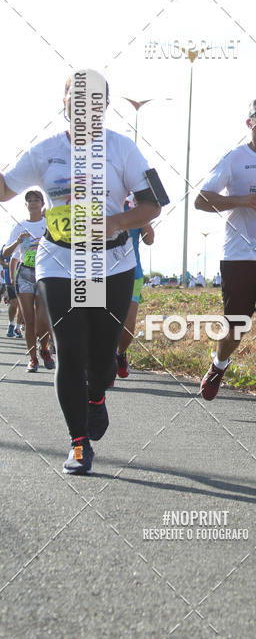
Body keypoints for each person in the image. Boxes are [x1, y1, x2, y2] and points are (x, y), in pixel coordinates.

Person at [0, 71, 162, 475]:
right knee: (70, 352)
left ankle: (96, 395)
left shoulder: (122, 149)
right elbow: (5, 188)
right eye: (77, 98)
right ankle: (77, 443)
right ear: (65, 102)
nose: (85, 107)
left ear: (104, 107)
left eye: (94, 100)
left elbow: (153, 203)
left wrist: (116, 222)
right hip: (59, 262)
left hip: (110, 263)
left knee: (103, 357)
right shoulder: (46, 151)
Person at [195, 96, 256, 427]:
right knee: (236, 327)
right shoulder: (235, 158)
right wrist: (241, 200)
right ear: (248, 122)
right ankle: (219, 364)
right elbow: (201, 199)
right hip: (239, 255)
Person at [2, 189, 54, 371]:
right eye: (29, 200)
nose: (33, 203)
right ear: (26, 205)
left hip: (44, 272)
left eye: (36, 200)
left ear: (42, 204)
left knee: (44, 318)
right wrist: (17, 242)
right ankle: (33, 358)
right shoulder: (20, 226)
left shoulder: (49, 223)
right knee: (29, 320)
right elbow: (6, 253)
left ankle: (44, 348)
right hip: (24, 273)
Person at [115, 198, 154, 379]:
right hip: (100, 271)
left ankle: (120, 354)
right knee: (97, 321)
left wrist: (141, 215)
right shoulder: (105, 202)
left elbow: (150, 240)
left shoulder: (137, 206)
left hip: (133, 273)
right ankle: (99, 365)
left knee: (128, 325)